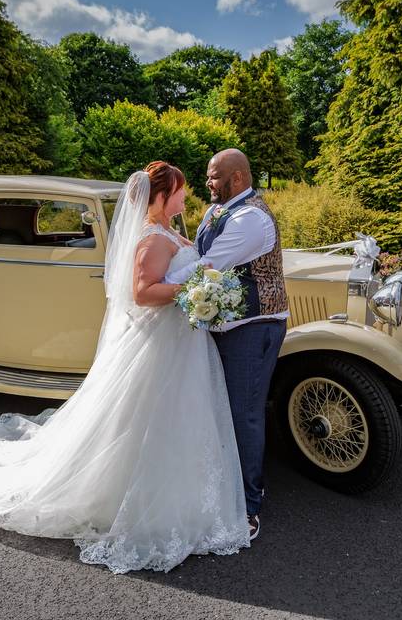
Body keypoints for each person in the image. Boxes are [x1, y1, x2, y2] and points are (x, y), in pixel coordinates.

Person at [0, 162, 250, 574]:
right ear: (160, 196)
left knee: (173, 419)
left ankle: (183, 492)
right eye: (179, 190)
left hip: (175, 341)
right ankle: (140, 498)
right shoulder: (152, 239)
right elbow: (142, 292)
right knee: (148, 419)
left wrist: (200, 286)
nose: (186, 194)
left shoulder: (170, 231)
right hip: (162, 340)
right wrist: (193, 290)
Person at [163, 149, 288, 541]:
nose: (208, 183)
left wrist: (159, 281)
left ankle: (250, 504)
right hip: (225, 326)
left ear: (237, 179)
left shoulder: (251, 219)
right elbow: (199, 250)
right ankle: (227, 484)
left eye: (214, 177)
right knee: (221, 408)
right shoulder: (219, 211)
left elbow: (208, 265)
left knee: (244, 413)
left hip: (255, 326)